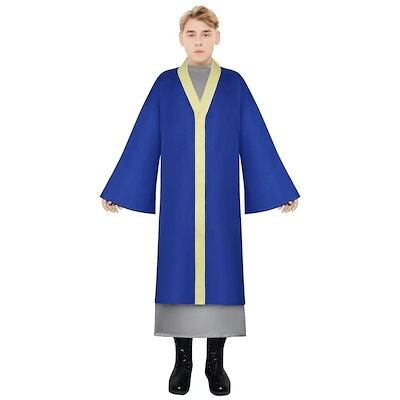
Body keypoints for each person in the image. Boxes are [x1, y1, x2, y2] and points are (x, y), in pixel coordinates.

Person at [100, 5, 300, 396]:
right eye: (191, 34)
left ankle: (215, 363)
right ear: (181, 39)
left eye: (205, 34)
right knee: (178, 275)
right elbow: (144, 137)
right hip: (178, 201)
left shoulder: (234, 85)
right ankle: (182, 362)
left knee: (221, 276)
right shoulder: (164, 85)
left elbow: (255, 137)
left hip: (221, 200)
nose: (198, 41)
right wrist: (120, 188)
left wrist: (279, 188)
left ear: (217, 37)